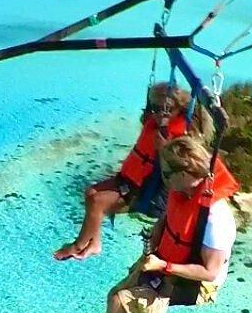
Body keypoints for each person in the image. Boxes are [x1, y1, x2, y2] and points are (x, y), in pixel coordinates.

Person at [60, 135, 239, 313]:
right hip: (165, 261)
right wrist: (155, 239)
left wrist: (163, 266)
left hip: (195, 284)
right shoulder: (184, 192)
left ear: (184, 175)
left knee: (120, 301)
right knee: (116, 292)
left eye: (165, 173)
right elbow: (169, 217)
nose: (161, 178)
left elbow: (210, 273)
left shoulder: (216, 219)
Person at [53, 83, 215, 261]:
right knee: (90, 192)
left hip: (145, 192)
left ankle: (78, 246)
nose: (159, 113)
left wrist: (164, 150)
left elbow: (181, 168)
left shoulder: (180, 138)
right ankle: (95, 243)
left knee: (97, 201)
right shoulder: (154, 121)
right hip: (128, 180)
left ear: (179, 108)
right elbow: (149, 117)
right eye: (155, 108)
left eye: (166, 109)